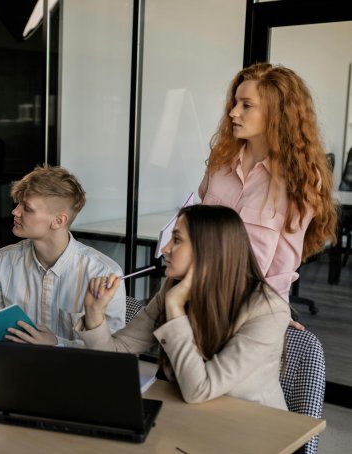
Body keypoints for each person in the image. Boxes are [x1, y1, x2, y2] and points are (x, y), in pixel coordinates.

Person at [81, 205, 290, 409]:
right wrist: (94, 312)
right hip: (190, 415)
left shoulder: (268, 310)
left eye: (177, 239)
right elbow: (115, 352)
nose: (164, 248)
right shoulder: (172, 289)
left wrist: (175, 308)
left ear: (208, 250)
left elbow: (200, 389)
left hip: (254, 426)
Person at [199, 63, 336, 304]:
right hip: (200, 292)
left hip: (253, 305)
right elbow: (198, 229)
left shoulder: (301, 176)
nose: (233, 112)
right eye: (235, 102)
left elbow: (283, 265)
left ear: (276, 113)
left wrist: (270, 317)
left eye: (246, 105)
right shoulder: (219, 164)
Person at [0, 165, 126, 347]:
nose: (15, 211)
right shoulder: (4, 260)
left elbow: (113, 351)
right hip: (13, 365)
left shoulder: (104, 273)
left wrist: (56, 344)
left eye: (27, 208)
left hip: (73, 373)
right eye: (18, 203)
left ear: (58, 221)